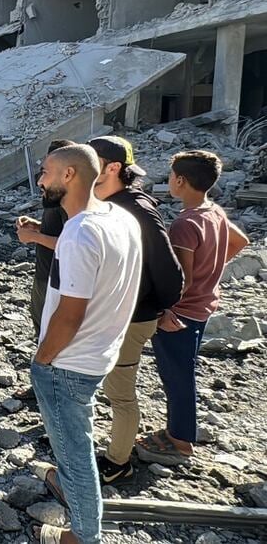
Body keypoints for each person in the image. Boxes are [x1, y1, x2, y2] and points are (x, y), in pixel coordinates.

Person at [31, 145, 141, 544]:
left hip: (67, 363)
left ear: (69, 175)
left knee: (76, 453)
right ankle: (75, 493)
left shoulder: (79, 232)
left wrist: (42, 360)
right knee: (77, 438)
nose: (40, 180)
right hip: (100, 353)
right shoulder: (120, 217)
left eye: (45, 172)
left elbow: (69, 314)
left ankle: (82, 535)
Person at [136, 150, 249, 464]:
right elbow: (240, 242)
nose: (170, 181)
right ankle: (178, 431)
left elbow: (179, 280)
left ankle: (180, 440)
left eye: (172, 176)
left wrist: (164, 310)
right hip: (203, 306)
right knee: (182, 372)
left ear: (180, 181)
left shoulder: (185, 224)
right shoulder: (212, 211)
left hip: (182, 313)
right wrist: (209, 271)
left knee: (177, 376)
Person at [87, 136, 184, 485]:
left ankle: (118, 463)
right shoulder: (111, 201)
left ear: (113, 168)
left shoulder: (135, 209)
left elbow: (169, 270)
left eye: (91, 160)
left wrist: (161, 306)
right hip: (118, 314)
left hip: (132, 317)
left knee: (121, 392)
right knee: (113, 387)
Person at [14, 139, 75, 400]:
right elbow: (61, 232)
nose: (41, 178)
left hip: (58, 280)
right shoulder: (53, 195)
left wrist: (36, 239)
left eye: (47, 171)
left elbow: (75, 243)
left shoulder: (70, 200)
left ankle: (54, 392)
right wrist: (39, 227)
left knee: (54, 336)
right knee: (41, 330)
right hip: (44, 274)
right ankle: (43, 386)